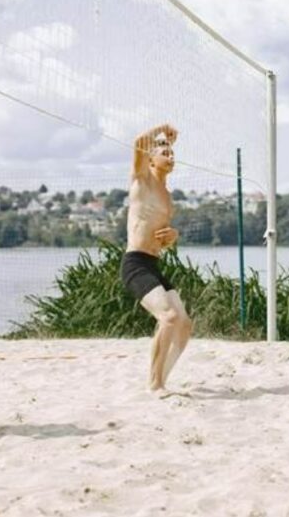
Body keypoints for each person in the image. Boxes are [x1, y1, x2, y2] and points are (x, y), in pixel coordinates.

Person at [120, 123, 192, 393]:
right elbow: (139, 141)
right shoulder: (141, 178)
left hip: (153, 262)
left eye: (173, 154)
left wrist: (173, 235)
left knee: (184, 325)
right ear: (151, 158)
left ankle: (162, 377)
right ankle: (155, 384)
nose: (171, 156)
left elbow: (162, 236)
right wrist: (163, 130)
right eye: (165, 152)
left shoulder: (167, 196)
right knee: (169, 317)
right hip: (135, 264)